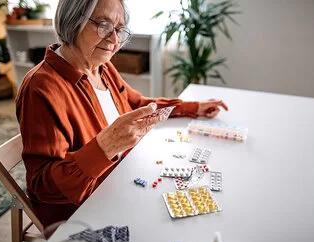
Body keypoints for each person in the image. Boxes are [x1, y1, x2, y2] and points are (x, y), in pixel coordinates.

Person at [16, 0, 228, 227]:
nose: (114, 41)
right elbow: (43, 188)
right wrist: (105, 147)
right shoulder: (41, 87)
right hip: (79, 213)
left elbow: (138, 105)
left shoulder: (103, 67)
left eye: (119, 30)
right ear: (72, 20)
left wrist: (192, 107)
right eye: (104, 26)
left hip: (122, 180)